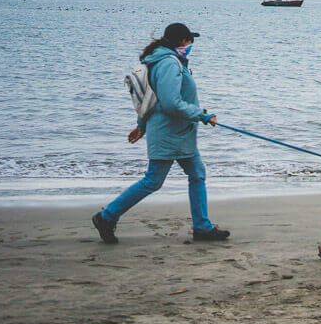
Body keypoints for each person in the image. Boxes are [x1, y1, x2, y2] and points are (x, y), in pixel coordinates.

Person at [92, 22, 230, 244]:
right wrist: (201, 115)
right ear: (181, 42)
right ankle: (106, 217)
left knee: (197, 173)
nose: (191, 44)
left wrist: (141, 126)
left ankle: (202, 227)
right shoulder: (168, 63)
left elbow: (150, 99)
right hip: (169, 132)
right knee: (153, 181)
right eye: (189, 41)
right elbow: (170, 103)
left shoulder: (167, 60)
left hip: (180, 132)